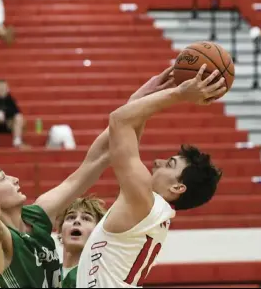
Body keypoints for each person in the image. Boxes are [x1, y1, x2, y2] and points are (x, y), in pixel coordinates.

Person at [0, 62, 173, 288]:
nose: (14, 179)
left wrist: (137, 102)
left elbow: (96, 159)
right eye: (3, 178)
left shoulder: (37, 216)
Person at [76, 64, 226, 288]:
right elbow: (124, 129)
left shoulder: (145, 202)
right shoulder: (152, 210)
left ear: (177, 187)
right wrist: (140, 99)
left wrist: (179, 94)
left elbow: (120, 121)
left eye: (170, 164)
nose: (157, 162)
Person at [58, 196, 106, 288]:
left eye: (86, 218)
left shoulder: (101, 276)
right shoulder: (45, 272)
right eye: (71, 217)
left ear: (98, 233)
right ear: (60, 232)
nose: (76, 221)